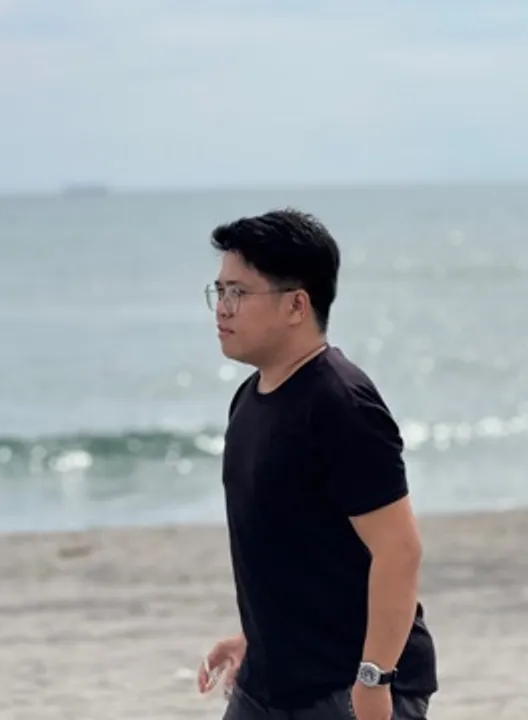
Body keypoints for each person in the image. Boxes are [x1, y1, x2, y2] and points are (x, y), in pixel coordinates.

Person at [196, 208, 438, 720]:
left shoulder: (341, 405)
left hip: (343, 685)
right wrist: (255, 638)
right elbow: (300, 550)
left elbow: (399, 550)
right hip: (269, 684)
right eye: (219, 291)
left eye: (239, 292)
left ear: (296, 305)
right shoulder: (251, 398)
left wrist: (374, 678)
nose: (223, 308)